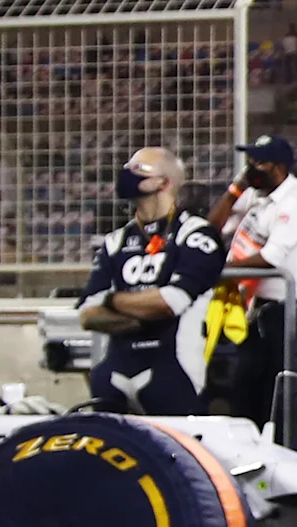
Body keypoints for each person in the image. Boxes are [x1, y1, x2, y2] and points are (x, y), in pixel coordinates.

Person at [77, 145, 227, 414]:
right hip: (116, 366)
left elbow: (171, 302)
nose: (127, 175)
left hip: (172, 367)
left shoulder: (196, 234)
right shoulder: (115, 241)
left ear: (164, 182)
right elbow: (88, 313)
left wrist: (113, 300)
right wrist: (141, 315)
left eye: (138, 170)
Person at [204, 134, 297, 425]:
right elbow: (210, 229)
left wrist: (224, 268)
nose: (251, 167)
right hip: (257, 307)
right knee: (245, 391)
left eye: (259, 162)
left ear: (279, 167)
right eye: (250, 161)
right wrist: (235, 189)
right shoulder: (258, 193)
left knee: (274, 393)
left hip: (286, 312)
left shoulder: (294, 201)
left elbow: (271, 257)